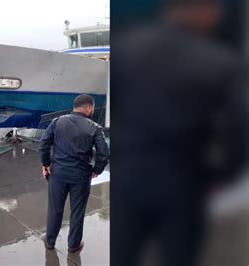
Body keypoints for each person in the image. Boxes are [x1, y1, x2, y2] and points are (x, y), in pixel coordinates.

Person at [111, 0, 246, 265]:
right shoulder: (219, 60)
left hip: (128, 177)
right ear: (204, 11)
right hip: (184, 182)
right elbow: (238, 131)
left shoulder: (126, 48)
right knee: (178, 255)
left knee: (122, 252)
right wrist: (224, 174)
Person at [39, 94, 109, 253]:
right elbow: (103, 153)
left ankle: (50, 242)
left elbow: (44, 144)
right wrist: (96, 170)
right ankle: (74, 245)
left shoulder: (57, 122)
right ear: (89, 107)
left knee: (55, 209)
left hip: (58, 174)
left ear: (74, 107)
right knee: (77, 211)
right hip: (81, 176)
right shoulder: (95, 128)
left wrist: (46, 164)